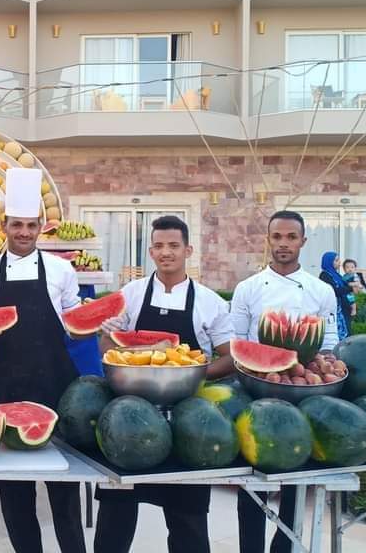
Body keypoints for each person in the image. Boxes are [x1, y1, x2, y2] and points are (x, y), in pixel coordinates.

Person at [94, 215, 234, 553]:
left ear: (188, 250)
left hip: (187, 419)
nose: (165, 252)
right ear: (151, 252)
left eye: (173, 245)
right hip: (128, 418)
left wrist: (191, 374)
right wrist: (106, 335)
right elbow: (108, 348)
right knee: (115, 512)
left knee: (188, 518)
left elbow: (231, 357)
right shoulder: (130, 294)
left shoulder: (209, 301)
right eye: (158, 246)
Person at [0, 168, 87, 553]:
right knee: (15, 497)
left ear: (40, 228)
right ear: (4, 226)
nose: (24, 232)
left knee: (65, 494)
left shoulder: (62, 270)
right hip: (6, 387)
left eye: (31, 225)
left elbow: (73, 327)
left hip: (57, 386)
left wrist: (97, 323)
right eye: (17, 224)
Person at [230, 210, 339, 553]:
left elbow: (329, 344)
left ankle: (285, 547)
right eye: (277, 237)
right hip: (257, 391)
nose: (283, 244)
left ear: (303, 241)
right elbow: (236, 343)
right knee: (252, 479)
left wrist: (320, 369)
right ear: (268, 240)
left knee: (296, 478)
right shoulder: (248, 289)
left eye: (291, 237)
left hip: (303, 392)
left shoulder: (321, 291)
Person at [319, 251, 353, 339]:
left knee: (347, 334)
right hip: (336, 311)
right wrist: (351, 288)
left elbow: (346, 290)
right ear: (329, 262)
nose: (339, 262)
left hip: (344, 309)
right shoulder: (325, 276)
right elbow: (334, 291)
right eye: (336, 260)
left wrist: (352, 303)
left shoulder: (336, 275)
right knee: (340, 336)